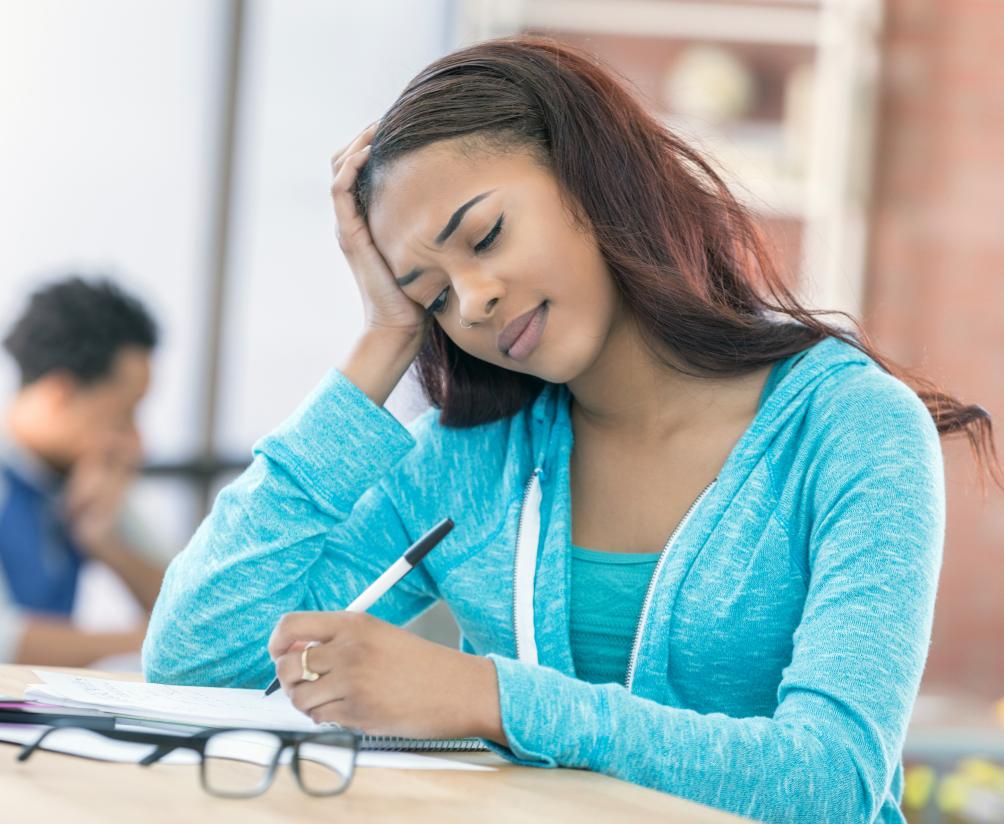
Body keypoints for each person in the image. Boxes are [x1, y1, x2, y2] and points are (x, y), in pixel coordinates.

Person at [142, 37, 1001, 822]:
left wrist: (490, 697)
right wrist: (380, 343)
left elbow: (832, 781)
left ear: (591, 175)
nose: (471, 302)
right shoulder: (470, 461)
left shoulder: (849, 429)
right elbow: (196, 661)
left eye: (485, 236)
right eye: (432, 294)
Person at [0, 276, 166, 666]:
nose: (136, 441)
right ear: (60, 393)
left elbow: (194, 610)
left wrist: (107, 544)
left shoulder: (84, 479)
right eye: (123, 413)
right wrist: (157, 643)